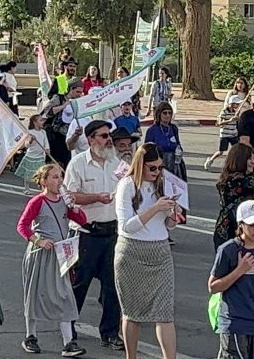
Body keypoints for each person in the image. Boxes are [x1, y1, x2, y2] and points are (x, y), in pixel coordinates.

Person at [114, 143, 181, 359]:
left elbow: (169, 226)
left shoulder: (163, 185)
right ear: (140, 165)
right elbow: (126, 226)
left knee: (165, 313)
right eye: (152, 168)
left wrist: (173, 214)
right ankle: (130, 356)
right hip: (132, 251)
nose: (156, 172)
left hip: (159, 251)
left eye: (160, 168)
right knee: (131, 312)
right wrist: (155, 208)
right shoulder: (127, 185)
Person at [62, 119, 125, 350]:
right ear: (90, 140)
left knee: (112, 286)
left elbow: (128, 188)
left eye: (109, 135)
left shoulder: (116, 163)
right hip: (86, 234)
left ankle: (109, 333)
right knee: (79, 284)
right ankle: (68, 330)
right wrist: (96, 198)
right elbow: (69, 197)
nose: (108, 140)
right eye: (103, 135)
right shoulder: (78, 164)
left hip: (112, 233)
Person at [18, 163, 89, 357]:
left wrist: (73, 206)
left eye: (60, 177)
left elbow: (82, 220)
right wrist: (38, 240)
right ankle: (30, 336)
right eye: (55, 177)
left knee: (65, 295)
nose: (59, 181)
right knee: (35, 294)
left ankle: (68, 343)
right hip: (41, 254)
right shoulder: (37, 201)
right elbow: (22, 226)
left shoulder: (64, 201)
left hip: (61, 254)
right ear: (43, 181)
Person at [208, 200, 254, 359]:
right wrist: (239, 271)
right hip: (234, 321)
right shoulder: (228, 250)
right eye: (252, 224)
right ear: (241, 224)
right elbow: (213, 287)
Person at [144, 102, 185, 181]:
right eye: (164, 113)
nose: (167, 115)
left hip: (173, 163)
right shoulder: (152, 130)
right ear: (159, 114)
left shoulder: (173, 128)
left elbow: (178, 144)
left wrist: (179, 151)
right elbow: (147, 150)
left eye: (169, 113)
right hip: (159, 163)